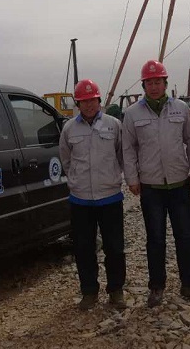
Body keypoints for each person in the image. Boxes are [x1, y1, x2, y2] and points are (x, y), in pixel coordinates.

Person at [122, 59, 190, 307]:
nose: (154, 87)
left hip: (179, 184)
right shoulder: (132, 114)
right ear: (143, 85)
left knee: (185, 236)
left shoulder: (180, 109)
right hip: (151, 187)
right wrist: (132, 179)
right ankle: (156, 287)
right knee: (155, 239)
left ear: (165, 83)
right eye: (149, 82)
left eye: (158, 82)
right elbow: (128, 148)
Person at [59, 79, 127, 310]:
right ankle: (89, 292)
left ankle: (116, 291)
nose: (89, 105)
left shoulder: (114, 125)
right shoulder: (69, 129)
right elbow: (66, 160)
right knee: (84, 248)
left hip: (110, 196)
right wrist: (77, 181)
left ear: (99, 101)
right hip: (81, 200)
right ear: (78, 104)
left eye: (92, 100)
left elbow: (122, 155)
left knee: (114, 247)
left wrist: (113, 177)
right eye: (84, 101)